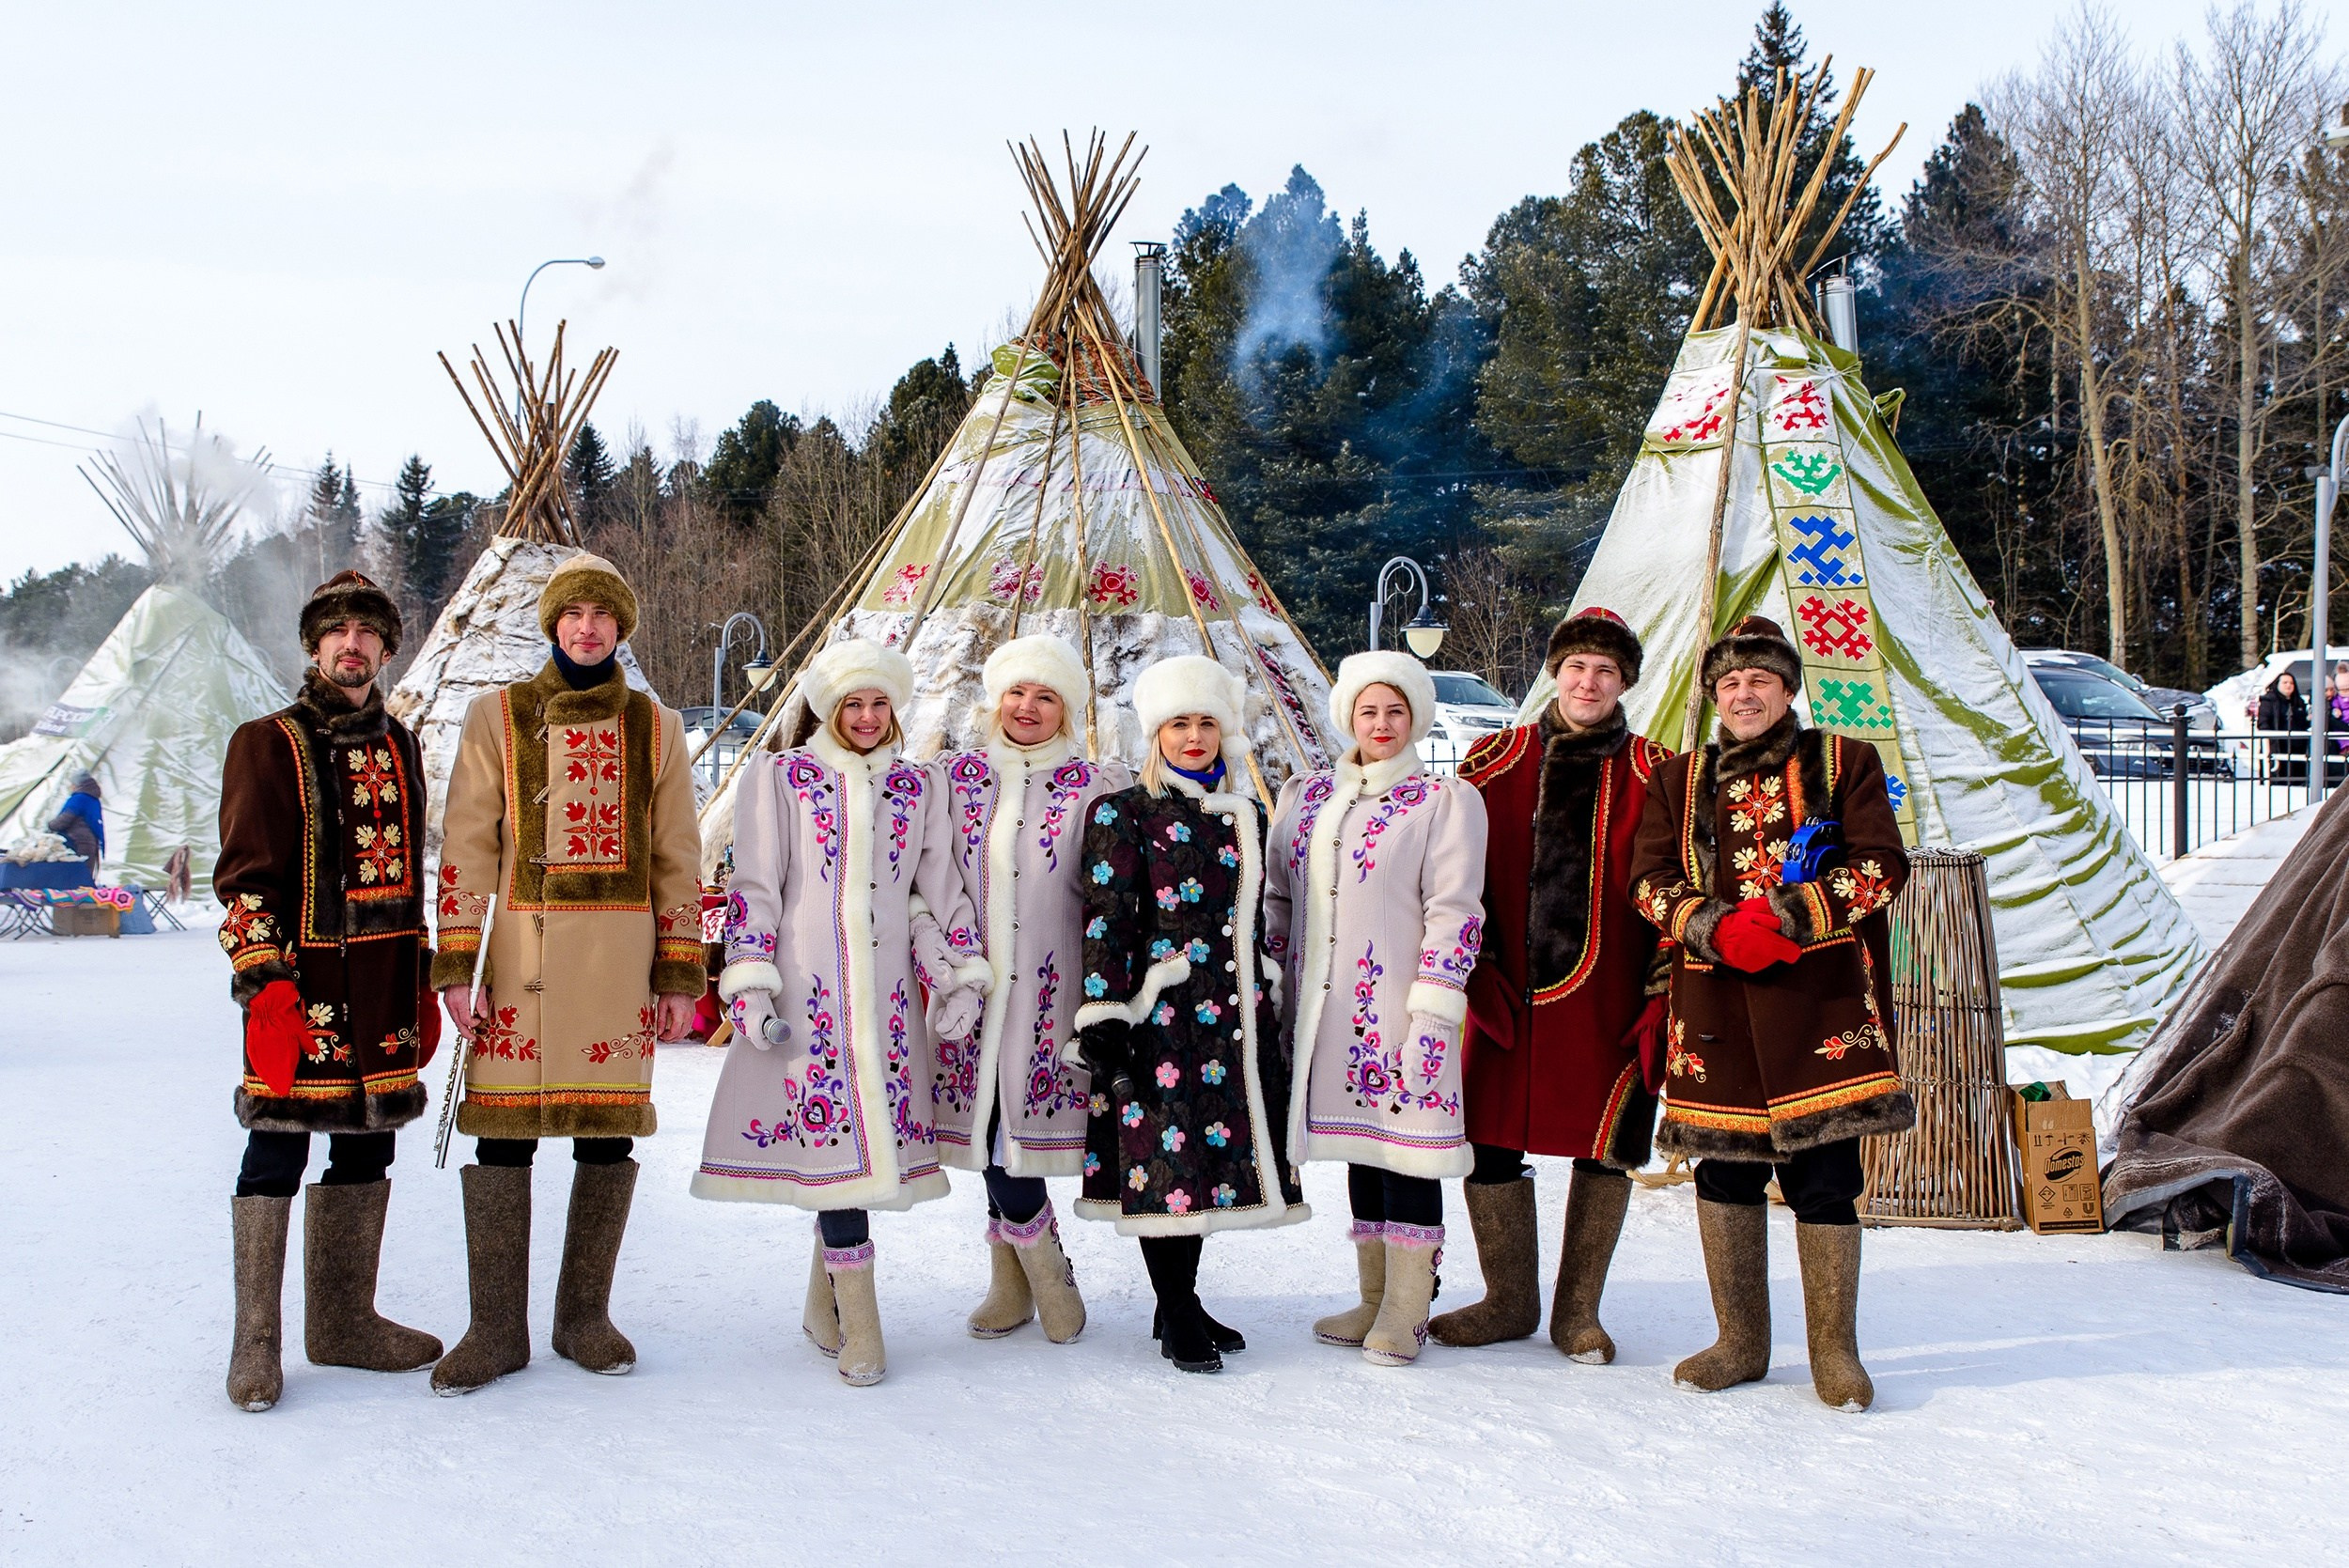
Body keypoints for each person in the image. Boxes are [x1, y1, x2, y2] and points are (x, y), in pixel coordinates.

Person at [429, 552, 704, 1394]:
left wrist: (677, 970)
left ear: (621, 627)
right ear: (553, 624)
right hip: (516, 958)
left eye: (603, 613)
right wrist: (456, 961)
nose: (587, 627)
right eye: (573, 613)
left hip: (616, 968)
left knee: (606, 1133)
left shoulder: (657, 727)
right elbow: (469, 841)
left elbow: (677, 855)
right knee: (501, 1134)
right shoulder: (496, 715)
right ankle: (495, 1328)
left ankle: (583, 1314)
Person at [1626, 613, 1912, 1412]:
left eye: (1759, 679)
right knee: (1724, 1171)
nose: (1744, 693)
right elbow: (1647, 879)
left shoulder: (1842, 760)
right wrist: (1714, 925)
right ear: (1715, 696)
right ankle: (1741, 1342)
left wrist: (1788, 917)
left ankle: (1834, 1351)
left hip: (1816, 999)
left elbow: (1883, 863)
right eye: (1730, 683)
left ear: (1787, 688)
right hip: (1713, 1000)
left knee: (1824, 1176)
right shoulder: (1678, 780)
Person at [692, 638, 988, 1387]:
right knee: (835, 1150)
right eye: (852, 702)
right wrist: (750, 976)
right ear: (827, 707)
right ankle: (861, 1319)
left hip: (885, 1000)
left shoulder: (916, 787)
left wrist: (958, 968)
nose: (865, 715)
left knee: (863, 1153)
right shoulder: (783, 776)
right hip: (809, 987)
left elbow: (938, 887)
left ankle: (823, 1305)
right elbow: (757, 884)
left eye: (878, 702)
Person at [215, 570, 442, 1411]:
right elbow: (244, 878)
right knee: (277, 1141)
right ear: (314, 646)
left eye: (368, 632)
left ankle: (344, 1322)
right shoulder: (265, 741)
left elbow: (410, 877)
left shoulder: (403, 744)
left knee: (368, 1141)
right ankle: (256, 1343)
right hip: (300, 986)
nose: (353, 644)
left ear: (386, 647)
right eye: (337, 631)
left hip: (382, 982)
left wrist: (419, 976)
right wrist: (261, 981)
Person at [1428, 609, 1674, 1362]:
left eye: (1605, 671)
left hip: (1610, 1000)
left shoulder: (1658, 772)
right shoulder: (1491, 762)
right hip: (1501, 993)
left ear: (1624, 681)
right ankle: (1509, 1299)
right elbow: (1446, 872)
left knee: (1606, 1146)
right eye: (1576, 667)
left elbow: (1681, 883)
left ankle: (1577, 1311)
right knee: (1490, 1142)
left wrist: (1665, 992)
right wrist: (1470, 967)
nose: (1589, 682)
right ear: (1555, 674)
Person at [1073, 654, 1308, 1374]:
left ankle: (1181, 1296)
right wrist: (1108, 1013)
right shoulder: (1122, 812)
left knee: (1202, 1160)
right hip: (1160, 1015)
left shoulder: (1246, 813)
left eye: (1207, 721)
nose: (1195, 735)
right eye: (1180, 722)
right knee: (1163, 1160)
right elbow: (1109, 916)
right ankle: (1176, 1311)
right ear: (1157, 733)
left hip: (1231, 1019)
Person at [1263, 651, 1487, 1366]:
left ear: (1416, 716)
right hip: (1323, 1012)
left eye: (1396, 710)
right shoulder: (1304, 798)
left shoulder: (1442, 802)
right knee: (1361, 1143)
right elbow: (1277, 899)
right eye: (1369, 711)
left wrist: (1436, 1009)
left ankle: (1408, 1304)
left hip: (1398, 1006)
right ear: (1348, 717)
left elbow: (1454, 908)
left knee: (1407, 1151)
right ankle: (1371, 1294)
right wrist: (1272, 982)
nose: (1382, 724)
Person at [932, 635, 1128, 1344]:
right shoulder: (955, 780)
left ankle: (1046, 1274)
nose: (1028, 707)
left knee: (1013, 1128)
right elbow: (932, 877)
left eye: (1046, 696)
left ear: (1066, 710)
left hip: (1052, 988)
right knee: (983, 1128)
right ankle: (1017, 1278)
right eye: (1018, 692)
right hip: (968, 986)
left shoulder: (1095, 786)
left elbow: (1112, 896)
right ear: (997, 699)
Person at [47, 770, 104, 881]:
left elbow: (64, 820)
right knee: (85, 877)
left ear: (78, 784)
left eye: (72, 783)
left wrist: (50, 825)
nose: (70, 786)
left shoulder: (79, 798)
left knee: (73, 878)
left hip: (77, 843)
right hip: (90, 843)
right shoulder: (93, 799)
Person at [2259, 673, 2310, 784]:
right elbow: (2263, 723)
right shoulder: (2269, 701)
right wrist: (2270, 740)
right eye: (2285, 682)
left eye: (2291, 683)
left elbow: (2303, 724)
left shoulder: (2299, 702)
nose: (2288, 685)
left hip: (2298, 749)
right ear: (2277, 684)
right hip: (2277, 747)